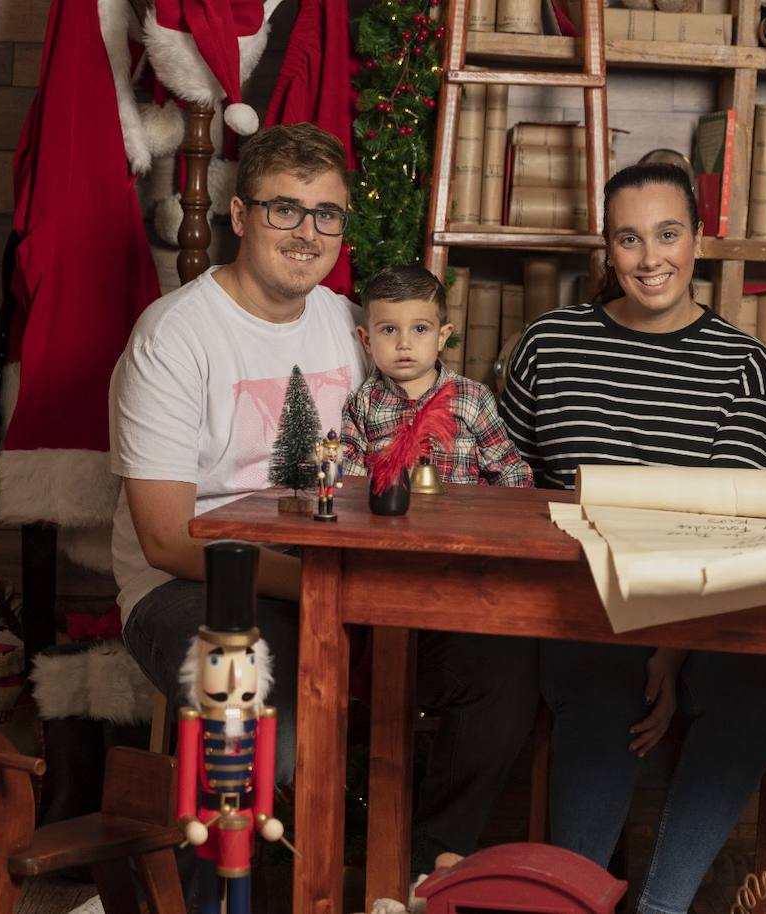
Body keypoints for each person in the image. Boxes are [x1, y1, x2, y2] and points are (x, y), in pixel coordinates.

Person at [112, 123, 537, 881]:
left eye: (327, 214)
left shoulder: (351, 325)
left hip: (349, 572)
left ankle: (410, 873)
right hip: (200, 586)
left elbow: (426, 436)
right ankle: (271, 887)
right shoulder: (174, 338)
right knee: (271, 712)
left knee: (499, 674)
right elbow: (166, 540)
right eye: (284, 210)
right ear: (238, 217)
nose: (308, 233)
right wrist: (324, 588)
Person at [498, 163, 766, 914]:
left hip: (700, 601)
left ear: (699, 239)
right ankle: (572, 901)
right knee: (603, 683)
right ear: (607, 248)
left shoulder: (744, 364)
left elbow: (727, 525)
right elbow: (505, 490)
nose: (650, 257)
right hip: (577, 599)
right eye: (629, 239)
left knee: (755, 691)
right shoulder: (548, 345)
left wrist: (672, 647)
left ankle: (663, 908)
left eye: (668, 234)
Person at [341, 264, 532, 488]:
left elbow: (509, 470)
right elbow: (349, 480)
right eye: (389, 329)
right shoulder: (362, 403)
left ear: (442, 337)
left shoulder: (473, 397)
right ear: (367, 341)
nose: (404, 344)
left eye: (420, 329)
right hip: (387, 518)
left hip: (458, 519)